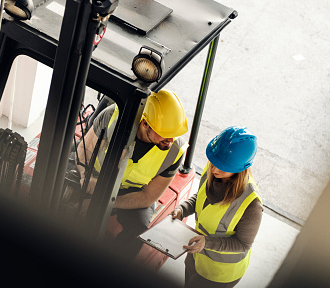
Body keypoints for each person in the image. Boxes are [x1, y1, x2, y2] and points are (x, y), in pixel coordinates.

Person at [76, 89, 188, 259]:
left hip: (134, 191)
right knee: (66, 201)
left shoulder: (175, 151)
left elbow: (148, 197)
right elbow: (83, 152)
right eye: (165, 134)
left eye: (174, 134)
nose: (170, 140)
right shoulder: (112, 117)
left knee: (139, 226)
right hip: (96, 178)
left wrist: (105, 201)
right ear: (145, 123)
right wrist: (87, 181)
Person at [171, 126, 263, 288]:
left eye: (222, 166)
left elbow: (243, 244)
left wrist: (206, 243)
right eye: (214, 162)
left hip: (219, 274)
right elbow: (201, 198)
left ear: (239, 169)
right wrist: (182, 209)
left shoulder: (251, 205)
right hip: (195, 256)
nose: (213, 169)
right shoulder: (214, 167)